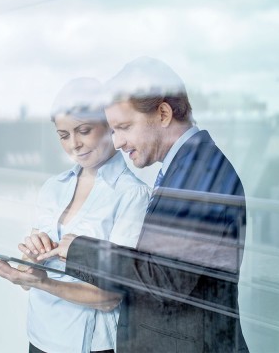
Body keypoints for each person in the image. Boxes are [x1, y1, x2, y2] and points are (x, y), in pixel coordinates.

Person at [38, 57, 249, 352]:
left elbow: (165, 279)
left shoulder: (202, 172)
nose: (120, 142)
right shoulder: (185, 169)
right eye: (114, 130)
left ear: (163, 113)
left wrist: (79, 249)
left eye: (124, 127)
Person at [0, 77, 150, 353]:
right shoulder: (53, 188)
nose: (74, 144)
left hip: (88, 346)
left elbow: (111, 296)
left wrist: (43, 282)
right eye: (63, 135)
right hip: (39, 336)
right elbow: (31, 276)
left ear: (109, 124)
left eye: (83, 130)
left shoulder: (132, 195)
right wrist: (29, 261)